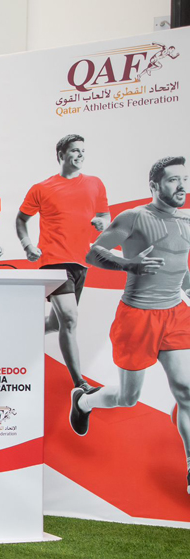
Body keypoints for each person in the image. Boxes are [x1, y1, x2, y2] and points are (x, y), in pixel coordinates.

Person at [70, 156, 190, 493]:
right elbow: (93, 253)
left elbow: (180, 268)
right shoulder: (135, 218)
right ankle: (83, 400)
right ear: (154, 186)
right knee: (128, 397)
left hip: (176, 314)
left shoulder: (187, 221)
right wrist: (129, 264)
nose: (181, 186)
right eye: (172, 180)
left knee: (186, 391)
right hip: (137, 317)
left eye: (184, 179)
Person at [16, 134, 110, 392]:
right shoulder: (42, 188)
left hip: (81, 262)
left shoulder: (95, 184)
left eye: (82, 151)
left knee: (58, 323)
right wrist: (27, 245)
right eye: (74, 151)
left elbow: (105, 215)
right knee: (70, 318)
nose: (80, 155)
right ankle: (80, 384)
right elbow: (21, 219)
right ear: (60, 155)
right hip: (54, 263)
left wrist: (103, 223)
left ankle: (22, 332)